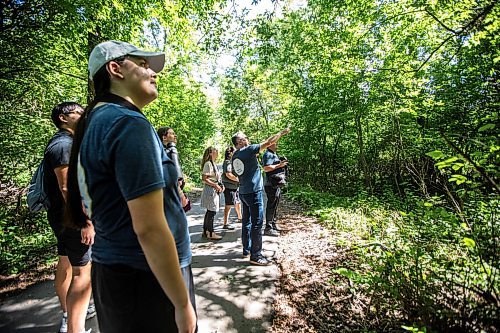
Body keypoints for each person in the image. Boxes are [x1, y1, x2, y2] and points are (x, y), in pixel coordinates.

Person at [65, 40, 196, 333]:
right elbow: (149, 228)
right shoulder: (127, 123)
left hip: (115, 276)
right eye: (144, 64)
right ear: (115, 69)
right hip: (149, 280)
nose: (153, 72)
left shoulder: (97, 120)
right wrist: (182, 303)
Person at [44, 102, 95, 333]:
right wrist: (85, 221)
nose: (83, 115)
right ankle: (76, 327)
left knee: (65, 264)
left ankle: (68, 316)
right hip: (71, 219)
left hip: (62, 218)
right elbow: (66, 188)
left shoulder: (63, 143)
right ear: (64, 118)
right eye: (79, 112)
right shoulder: (63, 145)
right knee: (83, 272)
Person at [231, 128, 290, 266]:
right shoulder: (248, 150)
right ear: (239, 142)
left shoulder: (235, 156)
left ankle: (247, 249)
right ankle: (256, 255)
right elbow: (269, 142)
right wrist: (281, 133)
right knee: (257, 224)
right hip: (253, 192)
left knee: (247, 222)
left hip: (244, 192)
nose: (247, 138)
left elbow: (236, 173)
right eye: (244, 137)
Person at [157, 126, 190, 211]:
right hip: (171, 192)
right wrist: (180, 194)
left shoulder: (158, 151)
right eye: (171, 133)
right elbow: (176, 177)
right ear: (164, 137)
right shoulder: (170, 151)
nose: (175, 136)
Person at [262, 142, 288, 237]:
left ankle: (273, 224)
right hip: (270, 184)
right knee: (271, 205)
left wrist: (281, 163)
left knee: (275, 204)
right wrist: (279, 166)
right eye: (275, 144)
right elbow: (266, 168)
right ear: (269, 145)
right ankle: (268, 228)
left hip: (276, 184)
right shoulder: (267, 154)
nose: (277, 145)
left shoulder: (274, 154)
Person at [200, 146, 224, 240]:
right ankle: (210, 233)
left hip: (213, 189)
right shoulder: (208, 164)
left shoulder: (213, 163)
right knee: (212, 212)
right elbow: (204, 178)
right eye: (215, 150)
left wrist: (220, 185)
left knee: (210, 211)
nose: (217, 151)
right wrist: (215, 185)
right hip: (210, 190)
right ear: (210, 153)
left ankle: (206, 231)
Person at [221, 146, 241, 230]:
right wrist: (238, 180)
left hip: (235, 187)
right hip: (229, 187)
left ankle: (240, 218)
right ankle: (225, 223)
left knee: (237, 202)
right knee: (228, 204)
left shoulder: (233, 162)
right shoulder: (227, 162)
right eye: (235, 152)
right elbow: (228, 174)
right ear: (231, 153)